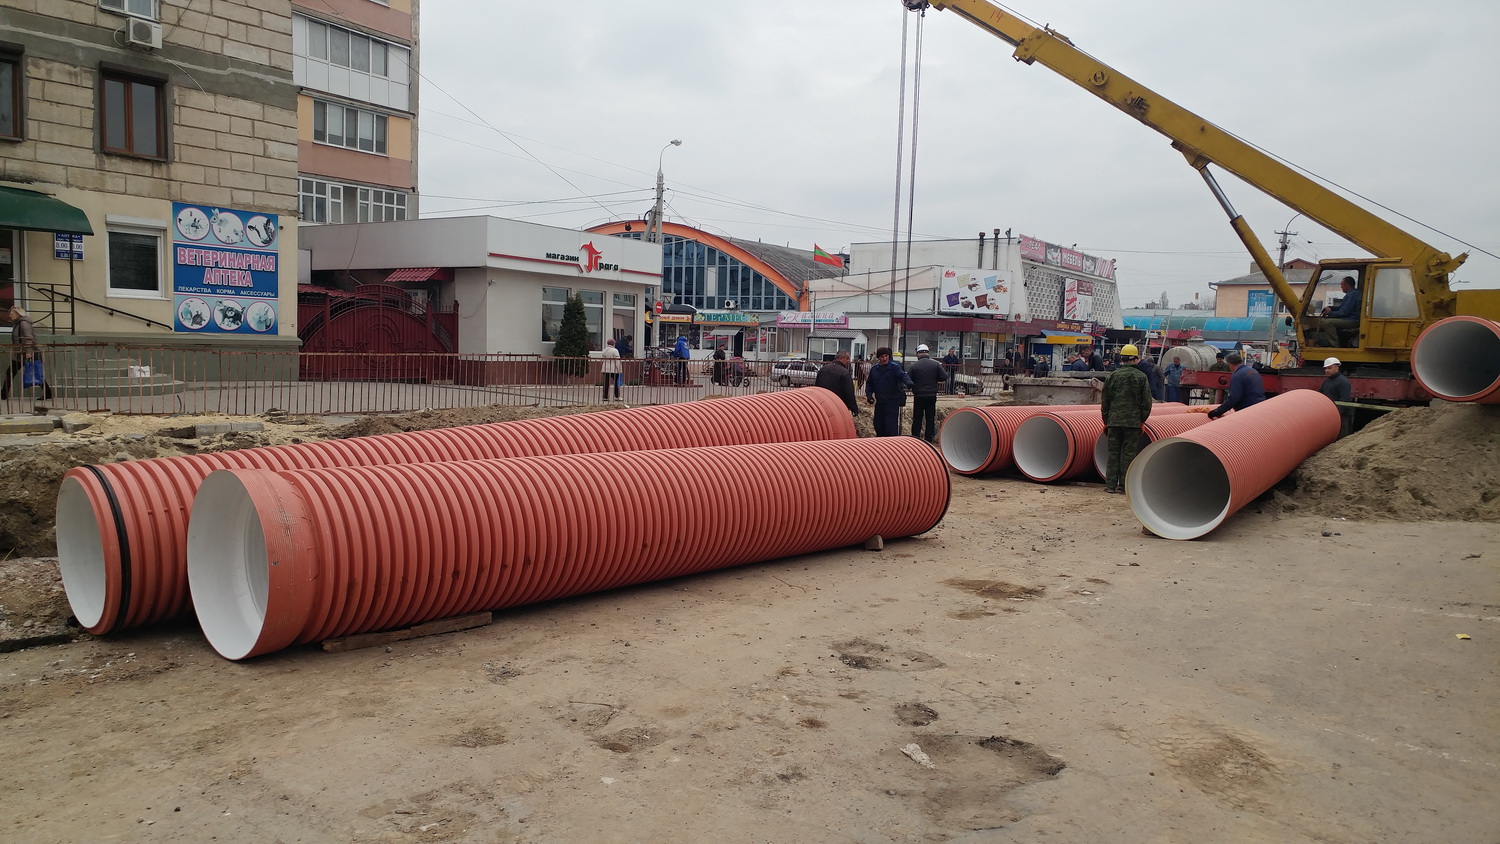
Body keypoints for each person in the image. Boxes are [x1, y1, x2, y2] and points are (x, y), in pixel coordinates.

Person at [1099, 344, 1153, 495]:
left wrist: (1106, 421)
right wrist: (1141, 420)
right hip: (1132, 423)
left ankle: (1110, 485)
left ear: (1121, 359)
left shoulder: (1112, 376)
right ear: (1135, 359)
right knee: (1128, 454)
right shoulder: (1141, 377)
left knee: (1113, 453)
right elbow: (1147, 403)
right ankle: (1124, 486)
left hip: (1114, 421)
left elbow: (1105, 402)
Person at [2, 305, 51, 401]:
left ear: (18, 314)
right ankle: (3, 394)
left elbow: (28, 338)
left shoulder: (24, 323)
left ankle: (48, 393)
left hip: (28, 353)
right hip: (20, 353)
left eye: (12, 314)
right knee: (10, 372)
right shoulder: (17, 323)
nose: (10, 315)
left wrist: (29, 352)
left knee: (35, 373)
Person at [864, 346, 913, 437]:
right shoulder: (874, 369)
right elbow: (869, 383)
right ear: (879, 358)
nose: (884, 358)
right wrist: (869, 395)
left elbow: (902, 375)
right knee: (878, 424)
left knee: (890, 426)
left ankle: (892, 442)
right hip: (880, 401)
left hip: (892, 401)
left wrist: (909, 383)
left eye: (886, 356)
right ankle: (881, 441)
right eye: (882, 356)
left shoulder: (895, 367)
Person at [1206, 352, 1266, 419]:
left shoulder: (1238, 375)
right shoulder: (1254, 371)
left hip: (1247, 411)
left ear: (1229, 364)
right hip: (1260, 408)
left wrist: (1216, 412)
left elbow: (1233, 398)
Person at [908, 344, 944, 443]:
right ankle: (929, 439)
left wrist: (914, 385)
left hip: (919, 395)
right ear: (928, 353)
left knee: (917, 418)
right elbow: (944, 376)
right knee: (930, 418)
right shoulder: (936, 365)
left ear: (918, 354)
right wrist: (934, 379)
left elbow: (908, 380)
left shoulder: (914, 366)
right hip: (931, 395)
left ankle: (915, 438)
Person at [1318, 276, 1362, 346]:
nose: (1341, 287)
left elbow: (1343, 313)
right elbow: (1342, 308)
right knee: (1327, 320)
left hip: (1352, 320)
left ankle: (1334, 345)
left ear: (1347, 285)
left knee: (1328, 322)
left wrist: (1330, 313)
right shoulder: (1352, 294)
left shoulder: (1352, 295)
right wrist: (1331, 308)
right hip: (1351, 319)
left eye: (1342, 284)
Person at [815, 350, 859, 416]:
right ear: (840, 358)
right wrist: (854, 408)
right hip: (838, 405)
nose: (848, 361)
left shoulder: (823, 369)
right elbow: (849, 392)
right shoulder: (844, 372)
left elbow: (816, 387)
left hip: (823, 403)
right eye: (847, 358)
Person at [1319, 356, 1354, 438]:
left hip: (1342, 416)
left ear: (1337, 367)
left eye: (1329, 368)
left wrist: (1336, 414)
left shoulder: (1342, 382)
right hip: (1331, 413)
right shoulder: (1327, 381)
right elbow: (1320, 394)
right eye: (1325, 368)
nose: (1327, 370)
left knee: (1341, 436)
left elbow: (1344, 401)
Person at [599, 338, 622, 402]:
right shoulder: (615, 350)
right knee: (616, 383)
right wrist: (619, 369)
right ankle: (617, 396)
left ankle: (605, 396)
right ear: (613, 344)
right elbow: (617, 361)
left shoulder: (604, 350)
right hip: (613, 369)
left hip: (605, 368)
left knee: (606, 383)